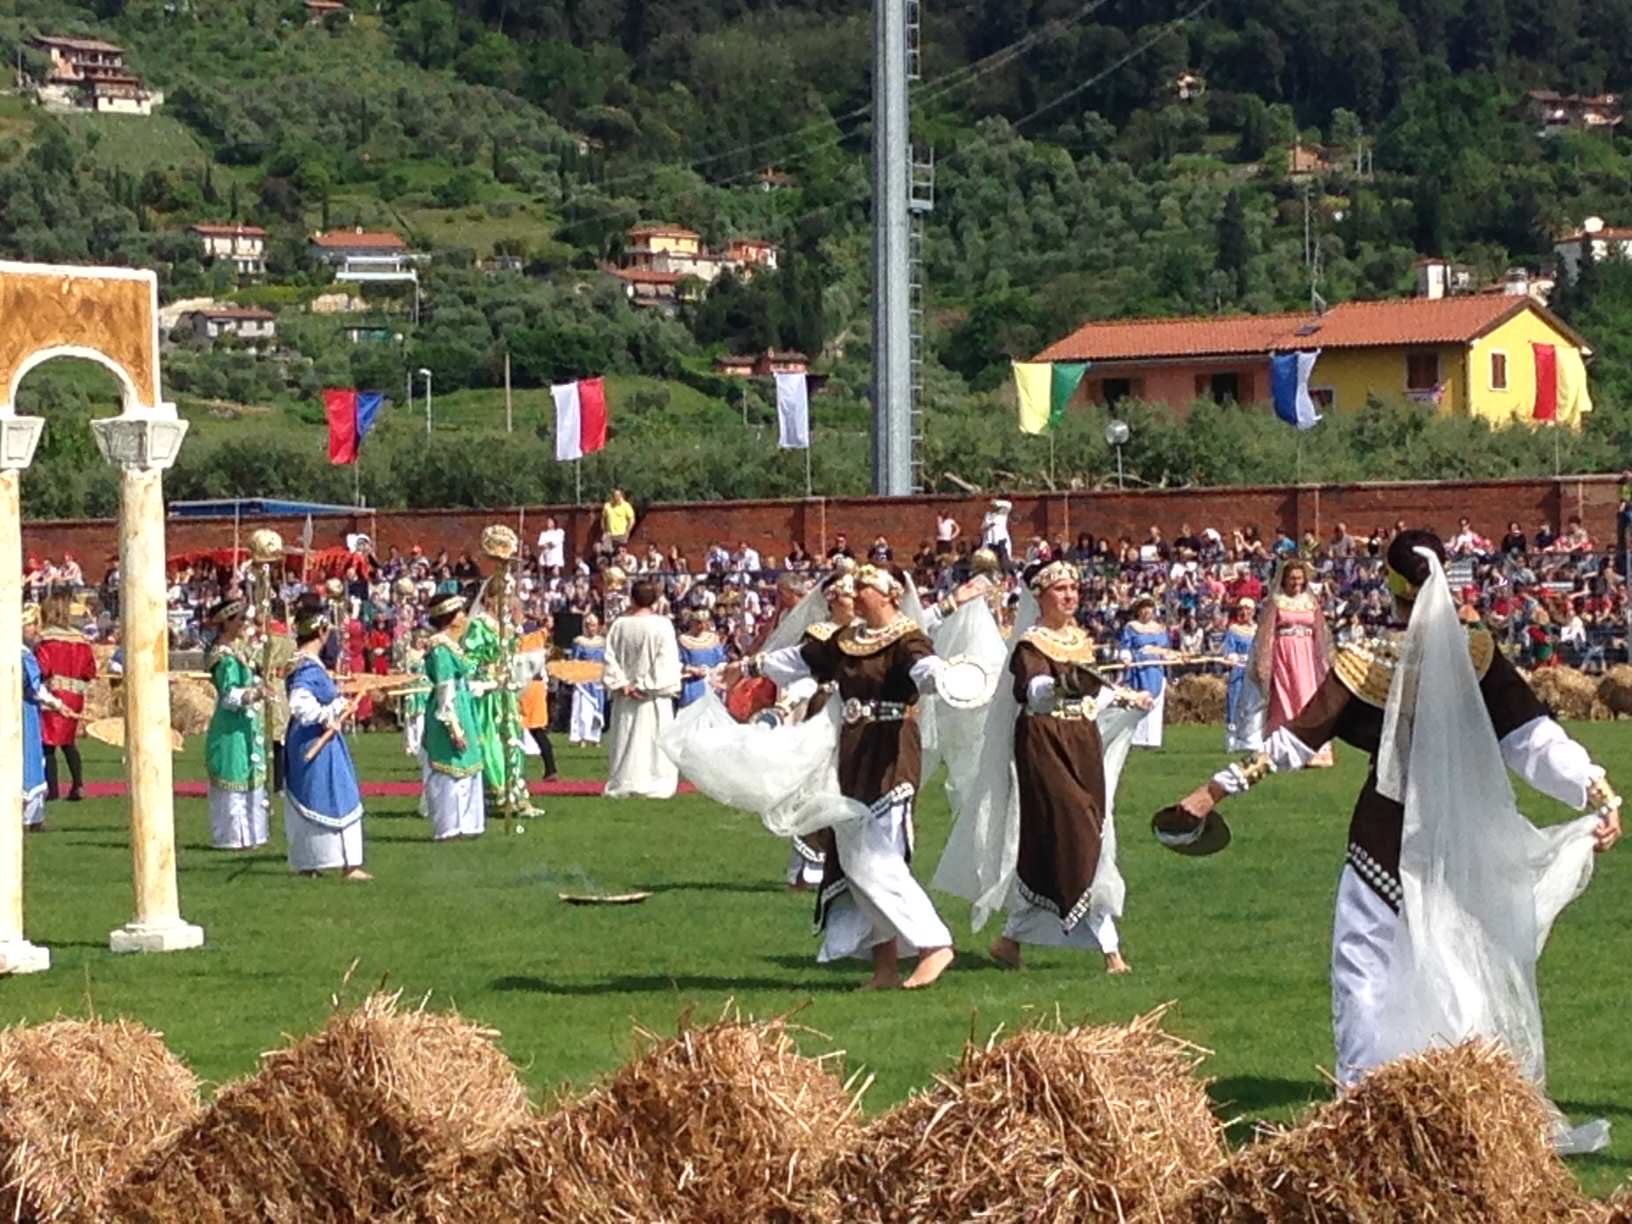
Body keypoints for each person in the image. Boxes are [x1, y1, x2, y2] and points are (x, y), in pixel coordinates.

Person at [1158, 530, 1621, 1127]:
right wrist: (1596, 789)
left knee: (1364, 969)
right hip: (1458, 841)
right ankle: (1462, 1102)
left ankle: (1364, 1106)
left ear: (1390, 584)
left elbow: (1295, 740)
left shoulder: (1367, 660)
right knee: (1460, 963)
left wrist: (1214, 788)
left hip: (1384, 833)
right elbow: (1532, 739)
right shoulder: (1476, 654)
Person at [732, 564, 957, 990]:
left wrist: (942, 676)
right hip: (853, 752)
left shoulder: (907, 637)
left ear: (890, 595)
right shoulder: (846, 640)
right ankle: (886, 968)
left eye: (866, 586)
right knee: (857, 860)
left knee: (880, 857)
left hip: (891, 751)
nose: (856, 591)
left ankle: (934, 944)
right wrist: (747, 665)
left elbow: (923, 668)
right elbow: (798, 660)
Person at [983, 561, 1152, 975]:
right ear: (1041, 596)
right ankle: (1110, 950)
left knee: (1063, 835)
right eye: (1060, 589)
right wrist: (1064, 683)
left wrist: (1126, 698)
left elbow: (1092, 693)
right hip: (1044, 742)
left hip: (1081, 741)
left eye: (1073, 589)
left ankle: (1010, 940)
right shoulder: (1031, 644)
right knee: (1077, 826)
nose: (1070, 595)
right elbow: (1035, 693)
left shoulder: (1080, 640)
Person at [283, 594, 370, 880]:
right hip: (315, 739)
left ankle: (315, 862)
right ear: (321, 632)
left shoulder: (303, 663)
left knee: (319, 793)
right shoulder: (307, 666)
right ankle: (345, 865)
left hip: (313, 738)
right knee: (332, 793)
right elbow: (300, 705)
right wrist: (333, 709)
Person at [603, 580, 683, 798]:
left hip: (631, 695)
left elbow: (609, 658)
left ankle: (626, 781)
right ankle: (650, 782)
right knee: (650, 741)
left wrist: (625, 685)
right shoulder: (662, 625)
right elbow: (666, 662)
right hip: (650, 695)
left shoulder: (619, 625)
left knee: (629, 737)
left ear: (631, 598)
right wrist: (644, 685)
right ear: (656, 600)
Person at [1251, 558, 1333, 767]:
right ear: (1284, 579)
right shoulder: (1277, 602)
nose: (1296, 581)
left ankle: (1314, 750)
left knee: (1307, 696)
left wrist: (1325, 659)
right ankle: (1284, 749)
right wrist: (1262, 661)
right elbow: (1266, 633)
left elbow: (1320, 633)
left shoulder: (1311, 602)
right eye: (1292, 578)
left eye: (1299, 577)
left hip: (1306, 655)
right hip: (1283, 654)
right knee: (1285, 697)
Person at [203, 598, 271, 851]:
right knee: (233, 776)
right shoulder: (223, 656)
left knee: (250, 774)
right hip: (230, 726)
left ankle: (253, 834)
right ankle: (233, 837)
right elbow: (229, 694)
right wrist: (255, 694)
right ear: (227, 623)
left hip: (246, 724)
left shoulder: (239, 651)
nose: (245, 624)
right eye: (241, 619)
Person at [462, 593, 536, 820]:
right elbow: (471, 656)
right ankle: (498, 794)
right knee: (492, 741)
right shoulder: (480, 624)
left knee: (512, 739)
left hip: (505, 690)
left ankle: (516, 794)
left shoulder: (506, 626)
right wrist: (479, 678)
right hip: (488, 691)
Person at [421, 594, 486, 841]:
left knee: (468, 766)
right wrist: (454, 727)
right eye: (459, 613)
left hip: (463, 704)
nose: (463, 617)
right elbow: (445, 690)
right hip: (449, 711)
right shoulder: (440, 649)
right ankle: (449, 826)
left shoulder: (451, 645)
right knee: (450, 769)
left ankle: (468, 824)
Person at [34, 591, 95, 802]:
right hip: (76, 694)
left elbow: (42, 668)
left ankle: (52, 789)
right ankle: (78, 784)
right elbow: (90, 671)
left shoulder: (46, 640)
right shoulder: (81, 640)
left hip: (53, 693)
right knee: (68, 742)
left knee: (48, 743)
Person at [21, 604, 70, 832]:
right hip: (24, 714)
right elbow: (36, 689)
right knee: (30, 761)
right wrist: (58, 704)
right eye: (31, 626)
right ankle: (32, 819)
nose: (35, 632)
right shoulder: (23, 656)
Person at [1117, 597, 1172, 748]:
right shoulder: (1132, 627)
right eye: (1143, 607)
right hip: (1139, 669)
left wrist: (1172, 656)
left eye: (1149, 607)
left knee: (1155, 704)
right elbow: (1125, 646)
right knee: (1139, 702)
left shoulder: (1159, 629)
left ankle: (1152, 740)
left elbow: (1164, 649)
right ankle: (1138, 738)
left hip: (1155, 670)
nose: (1147, 611)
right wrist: (1126, 657)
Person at [516, 617, 558, 782]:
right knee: (537, 730)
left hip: (524, 685)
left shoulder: (521, 643)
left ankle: (513, 769)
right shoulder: (539, 641)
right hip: (538, 686)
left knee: (513, 729)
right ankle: (550, 768)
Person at [1222, 598, 1262, 752]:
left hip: (1254, 672)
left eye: (1247, 610)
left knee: (1253, 703)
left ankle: (1251, 739)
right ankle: (1233, 738)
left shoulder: (1258, 630)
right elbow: (1228, 650)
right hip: (1239, 670)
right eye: (1241, 610)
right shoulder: (1234, 630)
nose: (1244, 613)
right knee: (1235, 701)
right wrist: (1232, 656)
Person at [568, 613, 607, 748]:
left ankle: (595, 738)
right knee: (583, 711)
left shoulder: (602, 642)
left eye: (594, 625)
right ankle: (582, 737)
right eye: (589, 626)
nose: (592, 628)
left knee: (597, 710)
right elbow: (575, 660)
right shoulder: (579, 642)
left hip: (597, 681)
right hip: (583, 681)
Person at [677, 609, 726, 709]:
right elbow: (677, 662)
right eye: (698, 623)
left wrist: (715, 672)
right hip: (693, 684)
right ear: (692, 622)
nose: (702, 626)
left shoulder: (713, 638)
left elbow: (721, 660)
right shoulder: (683, 640)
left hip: (713, 683)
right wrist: (692, 669)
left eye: (704, 622)